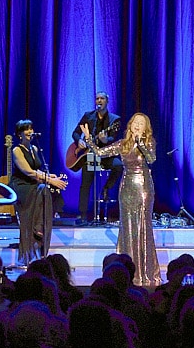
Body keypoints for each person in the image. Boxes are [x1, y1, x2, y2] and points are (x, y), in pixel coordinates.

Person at [82, 113, 161, 286]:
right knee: (127, 227)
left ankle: (145, 272)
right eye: (135, 122)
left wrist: (140, 143)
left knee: (142, 226)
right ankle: (129, 271)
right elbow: (100, 152)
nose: (137, 125)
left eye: (141, 123)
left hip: (143, 187)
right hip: (127, 187)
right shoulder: (122, 144)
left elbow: (152, 159)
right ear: (130, 125)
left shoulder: (148, 142)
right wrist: (89, 139)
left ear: (145, 127)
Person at [10, 119, 67, 265]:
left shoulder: (35, 149)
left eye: (31, 128)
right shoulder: (17, 150)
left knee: (48, 191)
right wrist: (49, 179)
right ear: (19, 134)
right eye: (26, 129)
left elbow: (38, 170)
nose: (29, 132)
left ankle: (40, 227)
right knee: (43, 188)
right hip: (22, 186)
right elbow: (28, 172)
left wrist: (51, 176)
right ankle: (36, 228)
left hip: (34, 184)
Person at [70, 91, 123, 224]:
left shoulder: (114, 120)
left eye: (102, 99)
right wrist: (79, 141)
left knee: (118, 165)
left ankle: (106, 188)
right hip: (91, 155)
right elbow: (75, 133)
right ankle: (82, 215)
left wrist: (106, 140)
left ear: (107, 101)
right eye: (97, 99)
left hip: (106, 154)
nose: (99, 101)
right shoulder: (88, 116)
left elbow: (113, 138)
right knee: (86, 182)